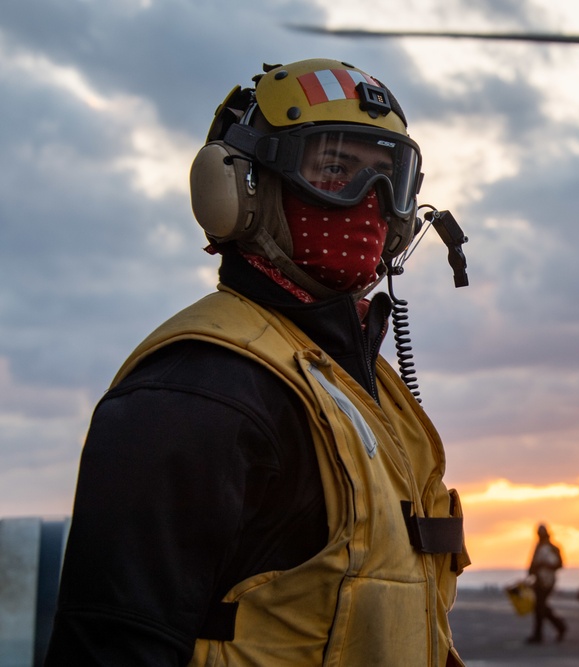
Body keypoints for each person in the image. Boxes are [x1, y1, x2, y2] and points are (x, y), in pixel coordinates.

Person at [46, 58, 470, 666]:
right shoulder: (198, 393)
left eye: (387, 178)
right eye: (334, 169)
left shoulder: (367, 389)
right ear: (241, 188)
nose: (369, 202)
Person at [525, 523, 567, 644]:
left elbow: (559, 564)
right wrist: (531, 574)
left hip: (548, 581)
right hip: (539, 580)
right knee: (540, 606)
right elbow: (532, 563)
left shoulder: (552, 548)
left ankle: (542, 633)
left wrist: (544, 565)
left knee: (540, 606)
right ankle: (557, 627)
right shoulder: (539, 546)